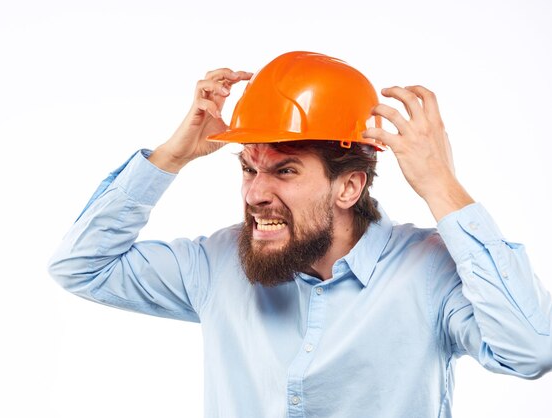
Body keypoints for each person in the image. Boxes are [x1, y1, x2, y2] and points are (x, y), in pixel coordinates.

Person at [48, 51, 552, 417]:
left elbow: (532, 350)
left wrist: (442, 187)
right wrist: (171, 155)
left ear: (349, 186)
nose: (255, 194)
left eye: (285, 171)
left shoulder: (428, 272)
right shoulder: (216, 263)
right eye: (248, 168)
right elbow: (80, 267)